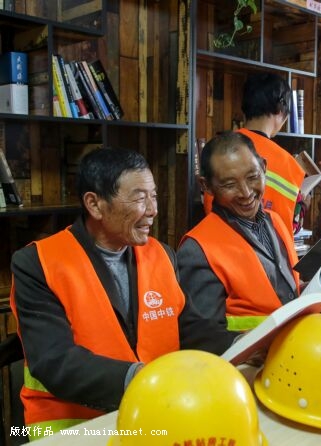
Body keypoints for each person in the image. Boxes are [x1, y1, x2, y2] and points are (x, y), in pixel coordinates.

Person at [10, 148, 238, 437]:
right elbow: (54, 360)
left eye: (154, 196)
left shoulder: (162, 255)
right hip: (74, 427)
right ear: (95, 204)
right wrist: (140, 378)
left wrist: (247, 344)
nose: (153, 209)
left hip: (153, 412)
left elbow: (192, 329)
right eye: (140, 198)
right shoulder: (38, 263)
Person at [179, 131, 300, 332]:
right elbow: (201, 335)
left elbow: (281, 290)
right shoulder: (197, 249)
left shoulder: (275, 221)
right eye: (229, 185)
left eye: (253, 177)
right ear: (206, 186)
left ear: (264, 167)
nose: (246, 192)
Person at [203, 72, 307, 236]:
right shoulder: (289, 165)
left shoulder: (217, 153)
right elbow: (293, 226)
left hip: (220, 243)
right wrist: (304, 203)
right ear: (281, 111)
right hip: (270, 249)